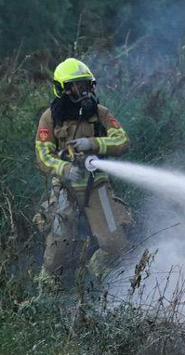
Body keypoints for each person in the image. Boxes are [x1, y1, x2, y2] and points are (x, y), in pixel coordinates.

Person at [34, 58, 132, 285]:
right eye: (78, 87)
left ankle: (97, 276)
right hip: (64, 190)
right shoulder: (49, 118)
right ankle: (47, 290)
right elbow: (42, 155)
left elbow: (123, 140)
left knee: (115, 244)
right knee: (58, 248)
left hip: (96, 184)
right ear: (63, 89)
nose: (85, 92)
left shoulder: (101, 113)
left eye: (87, 86)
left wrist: (93, 144)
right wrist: (65, 169)